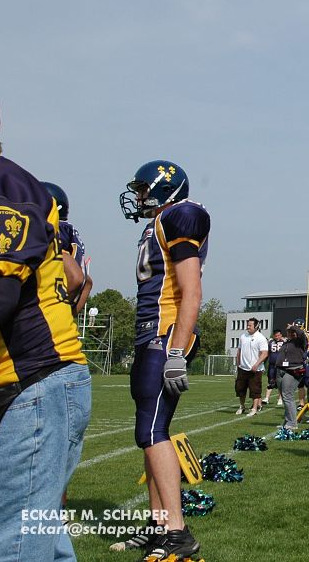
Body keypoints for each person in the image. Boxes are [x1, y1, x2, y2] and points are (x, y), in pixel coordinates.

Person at [0, 105, 92, 562]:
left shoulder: (6, 186)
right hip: (35, 379)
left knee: (16, 545)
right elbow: (75, 278)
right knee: (43, 535)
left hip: (32, 380)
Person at [118, 159, 209, 559]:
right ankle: (159, 525)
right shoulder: (159, 221)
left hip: (164, 334)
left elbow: (192, 290)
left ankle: (177, 530)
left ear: (162, 187)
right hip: (149, 335)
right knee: (150, 431)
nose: (138, 196)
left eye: (143, 188)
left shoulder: (183, 215)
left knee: (151, 430)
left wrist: (176, 349)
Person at [42, 181, 92, 315]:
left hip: (44, 315)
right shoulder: (68, 231)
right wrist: (68, 315)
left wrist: (55, 310)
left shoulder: (54, 231)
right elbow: (87, 283)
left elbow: (76, 277)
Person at [235, 318, 268, 416]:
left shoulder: (261, 338)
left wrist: (256, 364)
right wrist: (238, 364)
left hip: (255, 369)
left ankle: (254, 409)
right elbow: (239, 351)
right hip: (243, 368)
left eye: (250, 325)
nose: (248, 327)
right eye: (247, 325)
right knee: (240, 389)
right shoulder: (243, 336)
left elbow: (264, 353)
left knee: (255, 390)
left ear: (256, 326)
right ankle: (242, 406)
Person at [277, 326, 308, 430]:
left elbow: (301, 334)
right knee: (285, 396)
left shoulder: (300, 341)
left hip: (293, 369)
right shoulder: (286, 342)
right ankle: (287, 421)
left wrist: (294, 327)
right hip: (281, 370)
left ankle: (292, 423)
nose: (290, 333)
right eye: (289, 332)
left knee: (287, 395)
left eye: (292, 332)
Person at [265, 329, 285, 406]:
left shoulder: (284, 342)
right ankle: (266, 398)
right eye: (275, 336)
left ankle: (280, 399)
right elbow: (267, 352)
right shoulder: (270, 342)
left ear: (281, 335)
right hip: (272, 365)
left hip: (281, 365)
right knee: (270, 381)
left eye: (278, 335)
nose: (277, 337)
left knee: (280, 382)